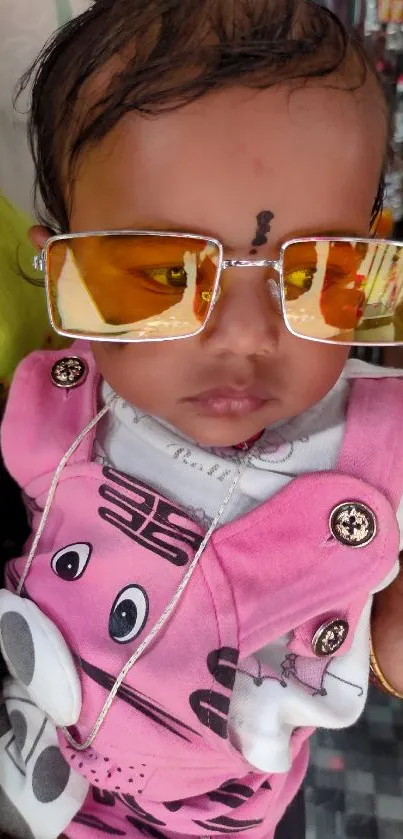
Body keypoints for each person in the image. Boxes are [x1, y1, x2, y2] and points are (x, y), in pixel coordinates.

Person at [1, 1, 403, 837]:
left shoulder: (379, 444)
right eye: (155, 274)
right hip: (32, 750)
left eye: (316, 271)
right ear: (57, 266)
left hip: (214, 817)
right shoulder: (55, 401)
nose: (248, 336)